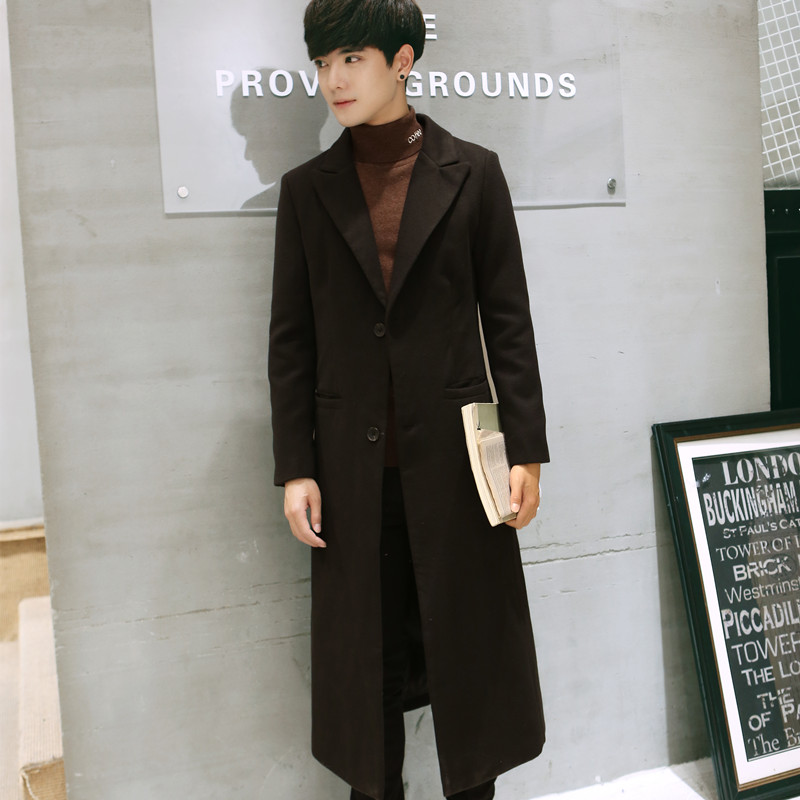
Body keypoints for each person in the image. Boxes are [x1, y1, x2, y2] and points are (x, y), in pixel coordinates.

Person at [268, 1, 550, 797]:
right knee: (367, 669)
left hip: (460, 468)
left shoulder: (474, 173)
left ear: (401, 60)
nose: (333, 80)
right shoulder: (307, 191)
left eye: (351, 59)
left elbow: (509, 322)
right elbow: (291, 342)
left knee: (469, 653)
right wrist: (296, 467)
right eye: (322, 63)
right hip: (350, 476)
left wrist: (527, 450)